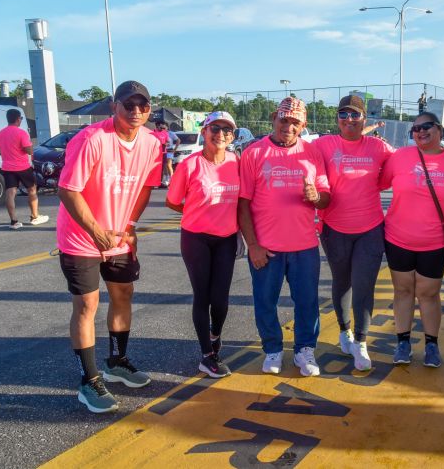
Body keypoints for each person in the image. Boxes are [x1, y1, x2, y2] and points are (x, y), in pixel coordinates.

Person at [56, 80, 162, 413]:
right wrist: (95, 230)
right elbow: (68, 190)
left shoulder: (151, 143)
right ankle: (88, 381)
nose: (135, 111)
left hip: (117, 237)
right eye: (128, 105)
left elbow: (146, 186)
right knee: (87, 305)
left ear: (149, 109)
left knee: (123, 294)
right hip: (81, 236)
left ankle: (117, 362)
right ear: (113, 106)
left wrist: (129, 225)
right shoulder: (91, 139)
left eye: (142, 106)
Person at [238, 97, 330, 377]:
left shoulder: (312, 153)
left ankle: (305, 350)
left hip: (304, 245)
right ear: (273, 118)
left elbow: (325, 197)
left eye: (295, 122)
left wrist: (316, 197)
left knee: (307, 302)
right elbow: (242, 204)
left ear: (303, 125)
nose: (288, 126)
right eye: (283, 120)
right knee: (265, 301)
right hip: (267, 247)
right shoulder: (254, 153)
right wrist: (252, 245)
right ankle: (273, 350)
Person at [380, 111, 444, 368]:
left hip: (435, 242)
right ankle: (403, 343)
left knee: (428, 294)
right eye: (415, 129)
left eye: (426, 126)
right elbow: (376, 183)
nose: (420, 132)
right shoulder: (400, 157)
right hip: (398, 238)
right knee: (403, 290)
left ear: (439, 129)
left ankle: (431, 345)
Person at [314, 95, 394, 371]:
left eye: (355, 115)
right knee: (342, 281)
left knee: (363, 284)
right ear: (337, 118)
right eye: (343, 115)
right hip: (334, 228)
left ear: (364, 119)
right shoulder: (324, 144)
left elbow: (399, 169)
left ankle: (361, 340)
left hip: (370, 228)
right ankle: (344, 330)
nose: (349, 120)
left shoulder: (378, 147)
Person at [166, 111, 242, 378]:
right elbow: (173, 200)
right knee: (203, 296)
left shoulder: (236, 162)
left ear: (232, 136)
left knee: (220, 299)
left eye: (227, 130)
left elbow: (243, 201)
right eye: (215, 129)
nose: (221, 134)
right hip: (196, 237)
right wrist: (195, 210)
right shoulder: (190, 164)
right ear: (205, 131)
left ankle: (215, 335)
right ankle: (207, 356)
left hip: (226, 239)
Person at [0, 109, 49, 229]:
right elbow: (29, 151)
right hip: (23, 167)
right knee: (32, 189)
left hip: (7, 167)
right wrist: (27, 147)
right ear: (18, 119)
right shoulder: (22, 133)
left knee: (10, 193)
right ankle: (35, 216)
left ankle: (14, 222)